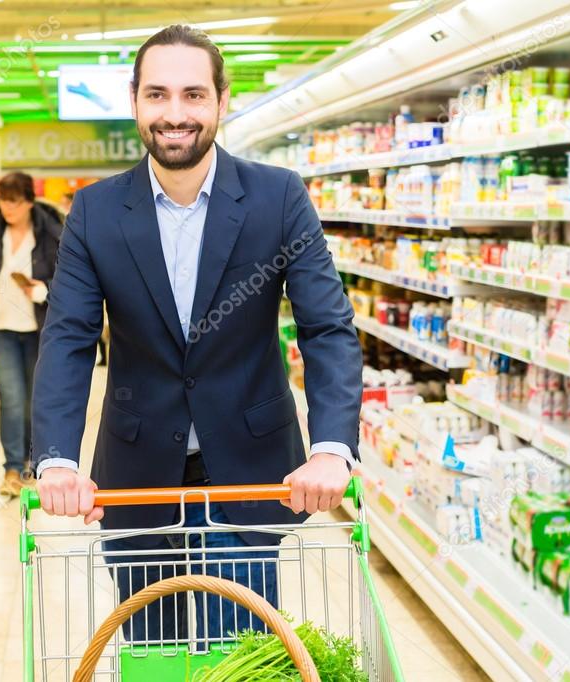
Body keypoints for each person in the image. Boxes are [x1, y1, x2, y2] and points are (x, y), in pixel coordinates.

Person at [31, 25, 362, 643]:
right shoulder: (95, 210)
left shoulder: (278, 197)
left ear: (220, 102)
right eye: (157, 95)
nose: (175, 114)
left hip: (247, 470)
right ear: (134, 102)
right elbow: (69, 337)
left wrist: (331, 448)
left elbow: (327, 329)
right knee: (152, 651)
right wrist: (56, 459)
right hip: (136, 480)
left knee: (235, 655)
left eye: (193, 94)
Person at [0, 172, 62, 497]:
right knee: (12, 401)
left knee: (34, 400)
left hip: (37, 329)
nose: (7, 208)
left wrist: (45, 290)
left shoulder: (51, 231)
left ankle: (33, 462)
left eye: (14, 201)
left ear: (29, 201)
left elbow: (71, 276)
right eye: (3, 200)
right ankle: (12, 469)